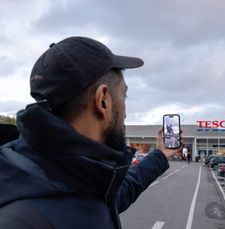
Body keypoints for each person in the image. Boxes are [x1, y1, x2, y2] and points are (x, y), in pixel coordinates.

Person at [0, 37, 178, 229]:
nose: (125, 112)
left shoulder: (70, 172)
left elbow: (116, 195)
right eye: (123, 95)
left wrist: (161, 155)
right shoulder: (21, 220)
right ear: (103, 101)